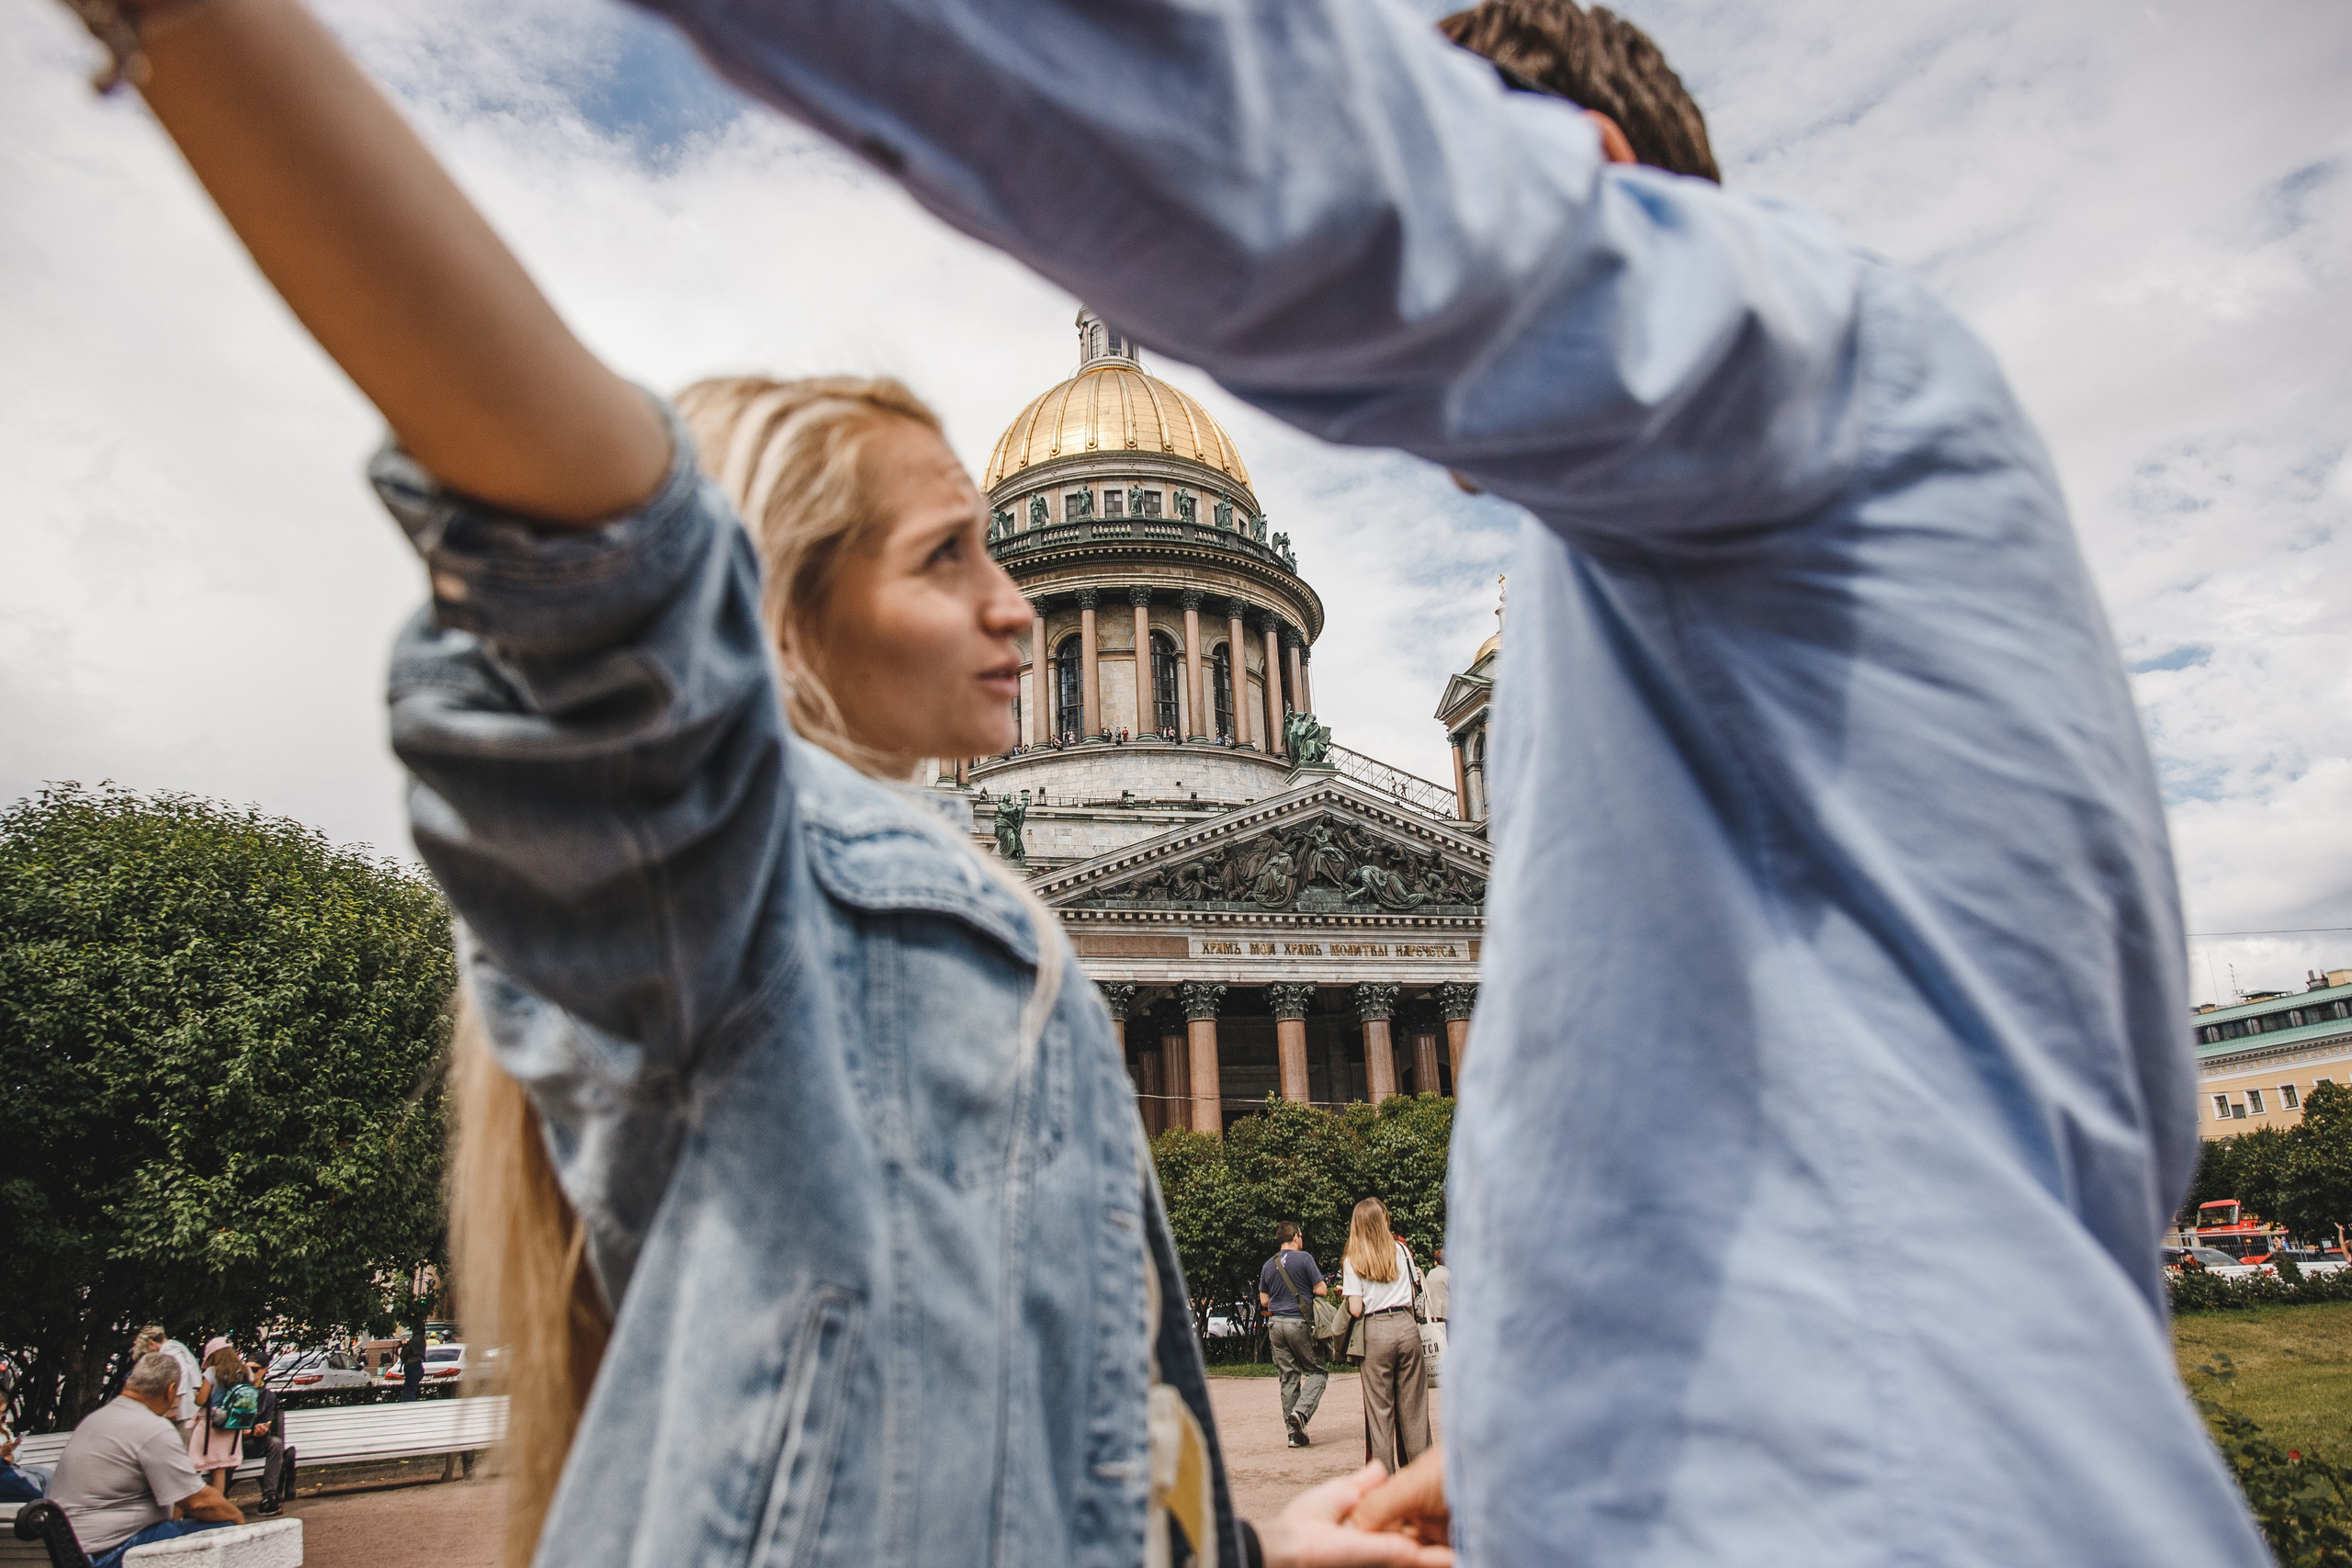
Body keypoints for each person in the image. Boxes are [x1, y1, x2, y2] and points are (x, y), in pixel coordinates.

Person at [615, 0, 2278, 1561]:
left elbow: (1251, 145)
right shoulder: (1717, 585)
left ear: (1584, 190)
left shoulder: (1797, 369)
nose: (1451, 440)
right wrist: (1551, 1446)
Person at [43, 8, 1445, 1568]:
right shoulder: (730, 885)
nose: (1020, 612)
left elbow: (1053, 1422)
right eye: (950, 555)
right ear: (776, 611)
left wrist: (1248, 1551)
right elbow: (573, 523)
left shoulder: (985, 936)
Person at [48, 1351, 242, 1568]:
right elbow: (199, 1502)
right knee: (224, 1530)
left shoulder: (94, 1420)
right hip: (112, 1552)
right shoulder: (152, 1427)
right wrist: (237, 1520)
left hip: (73, 1549)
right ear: (170, 1390)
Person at [1341, 1200, 1430, 1477]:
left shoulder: (1353, 1258)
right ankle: (1422, 1480)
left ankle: (1384, 1482)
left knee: (1380, 1414)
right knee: (1414, 1410)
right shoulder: (1401, 1250)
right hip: (1406, 1325)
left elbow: (1356, 1308)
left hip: (1375, 1331)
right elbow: (1413, 1292)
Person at [1258, 1222, 1330, 1448]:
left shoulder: (1269, 1264)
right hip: (1298, 1324)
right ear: (1296, 1236)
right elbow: (1321, 1289)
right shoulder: (1305, 1258)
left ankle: (1293, 1435)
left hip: (1275, 1326)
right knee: (1317, 1372)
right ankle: (1301, 1412)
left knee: (1288, 1378)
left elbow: (1264, 1300)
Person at [239, 1359, 296, 1517]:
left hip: (250, 1443)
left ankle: (269, 1497)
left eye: (254, 1369)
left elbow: (266, 1424)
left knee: (275, 1443)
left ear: (265, 1370)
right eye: (246, 1369)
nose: (249, 1373)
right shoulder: (237, 1390)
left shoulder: (267, 1396)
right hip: (232, 1443)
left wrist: (261, 1430)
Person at [187, 1344, 248, 1489]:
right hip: (232, 1425)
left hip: (209, 1427)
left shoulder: (212, 1372)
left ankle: (188, 1501)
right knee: (219, 1467)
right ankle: (217, 1500)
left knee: (192, 1465)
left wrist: (196, 1394)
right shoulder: (244, 1372)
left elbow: (201, 1400)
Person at [130, 1328, 200, 1445]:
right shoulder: (174, 1347)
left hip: (183, 1410)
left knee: (182, 1445)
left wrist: (174, 1403)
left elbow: (180, 1372)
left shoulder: (169, 1349)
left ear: (152, 1344)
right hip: (186, 1408)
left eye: (147, 1352)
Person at [398, 1325, 426, 1404]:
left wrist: (404, 1351)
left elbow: (406, 1351)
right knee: (411, 1390)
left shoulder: (416, 1339)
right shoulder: (421, 1339)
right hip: (417, 1366)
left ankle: (410, 1407)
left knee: (409, 1392)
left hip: (412, 1366)